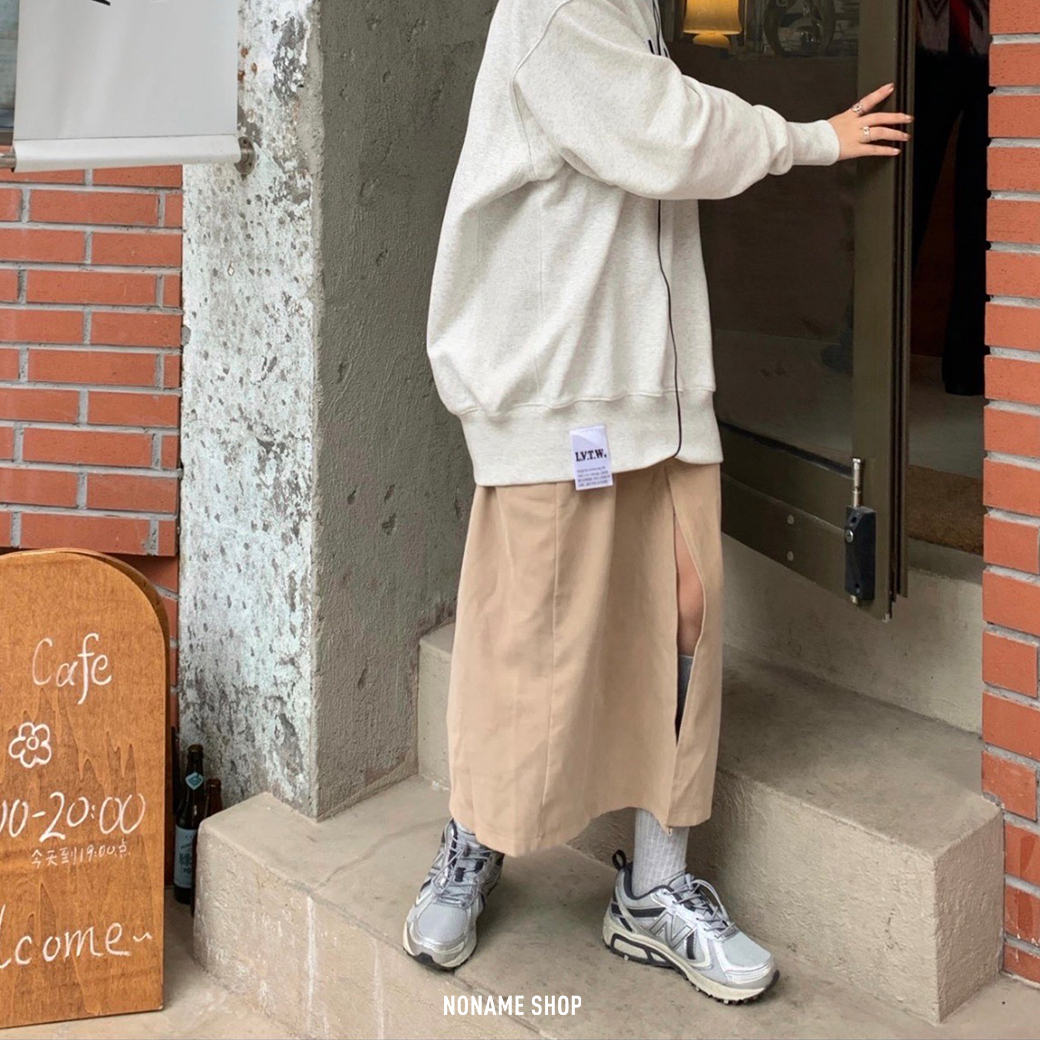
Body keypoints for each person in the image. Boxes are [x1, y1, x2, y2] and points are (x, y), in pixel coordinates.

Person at [405, 0, 911, 1004]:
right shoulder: (555, 9)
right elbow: (668, 132)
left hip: (657, 386)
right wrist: (812, 138)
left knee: (684, 614)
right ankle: (476, 831)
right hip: (555, 393)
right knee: (526, 631)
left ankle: (653, 886)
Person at [913, 0, 989, 396]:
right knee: (902, 200)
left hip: (997, 51)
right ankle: (859, 341)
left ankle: (968, 366)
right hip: (926, 46)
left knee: (982, 212)